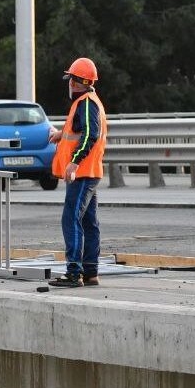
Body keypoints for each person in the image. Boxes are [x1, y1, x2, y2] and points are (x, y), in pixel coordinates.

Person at [48, 57, 108, 288]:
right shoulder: (90, 102)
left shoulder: (85, 103)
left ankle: (74, 272)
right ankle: (90, 272)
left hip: (82, 173)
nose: (68, 83)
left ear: (75, 81)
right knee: (89, 221)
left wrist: (74, 162)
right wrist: (60, 135)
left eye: (70, 79)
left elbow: (90, 135)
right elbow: (80, 130)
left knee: (71, 218)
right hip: (90, 172)